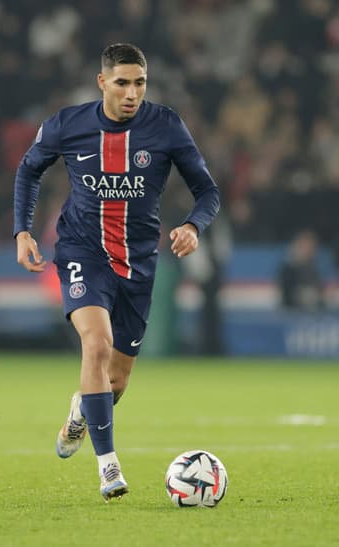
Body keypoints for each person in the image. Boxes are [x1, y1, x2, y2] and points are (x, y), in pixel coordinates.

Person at [13, 43, 220, 501]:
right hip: (82, 251)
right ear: (102, 82)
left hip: (138, 263)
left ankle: (81, 410)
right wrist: (22, 232)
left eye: (140, 83)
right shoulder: (68, 124)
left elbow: (207, 191)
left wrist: (193, 225)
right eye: (123, 82)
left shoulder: (165, 126)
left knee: (117, 378)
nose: (132, 93)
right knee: (96, 343)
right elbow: (28, 172)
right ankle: (109, 468)